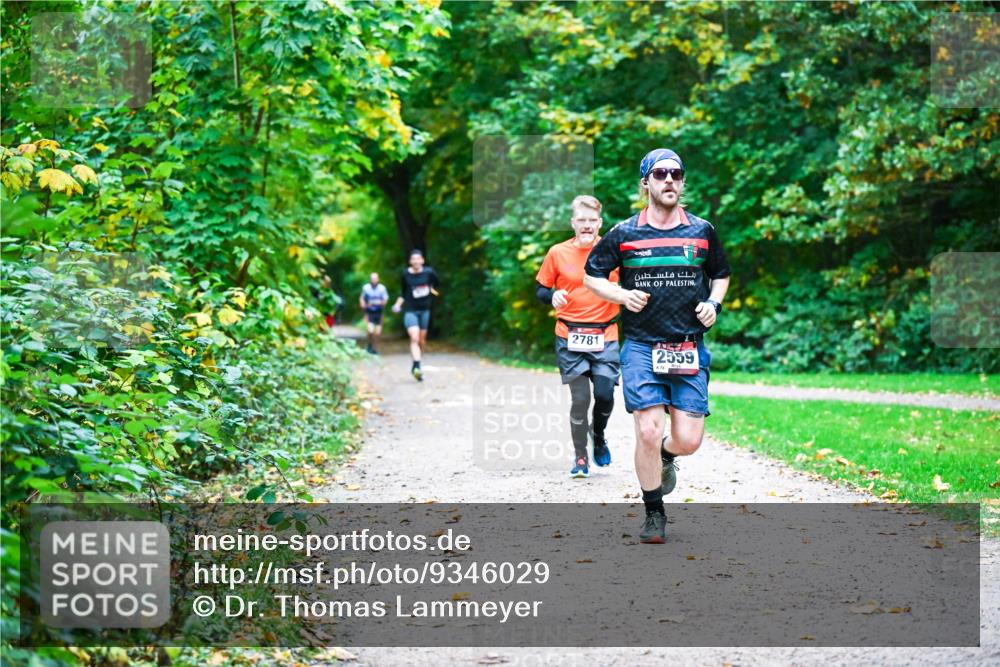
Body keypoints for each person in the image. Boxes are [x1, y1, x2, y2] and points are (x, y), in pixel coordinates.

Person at [584, 148, 731, 544]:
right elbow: (591, 275)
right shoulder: (625, 233)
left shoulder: (702, 230)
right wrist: (619, 295)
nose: (670, 180)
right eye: (661, 174)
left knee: (689, 440)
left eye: (676, 174)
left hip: (688, 346)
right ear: (645, 183)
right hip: (642, 347)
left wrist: (713, 304)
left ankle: (668, 456)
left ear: (682, 183)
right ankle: (654, 513)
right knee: (647, 430)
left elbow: (720, 275)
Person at [535, 195, 621, 479]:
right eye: (581, 220)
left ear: (600, 222)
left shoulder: (612, 252)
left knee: (606, 394)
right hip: (569, 335)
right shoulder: (557, 253)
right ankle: (580, 457)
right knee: (581, 398)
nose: (586, 225)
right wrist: (552, 295)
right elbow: (540, 290)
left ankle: (599, 434)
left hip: (605, 333)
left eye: (591, 220)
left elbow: (631, 285)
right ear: (573, 223)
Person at [391, 249, 440, 381]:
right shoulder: (405, 274)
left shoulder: (429, 273)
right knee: (414, 337)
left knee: (422, 341)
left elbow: (437, 287)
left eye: (418, 259)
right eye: (413, 259)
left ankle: (416, 364)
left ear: (422, 260)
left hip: (425, 310)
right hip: (410, 310)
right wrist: (397, 305)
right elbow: (403, 293)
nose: (416, 262)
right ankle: (417, 366)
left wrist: (432, 291)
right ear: (410, 262)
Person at [359, 272, 389, 354]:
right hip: (369, 313)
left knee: (378, 333)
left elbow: (385, 301)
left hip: (379, 313)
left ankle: (375, 349)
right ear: (370, 280)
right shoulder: (366, 288)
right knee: (370, 331)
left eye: (375, 278)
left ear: (378, 279)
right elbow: (362, 298)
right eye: (372, 278)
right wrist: (363, 305)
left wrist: (376, 303)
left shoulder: (382, 288)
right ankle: (369, 345)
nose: (374, 280)